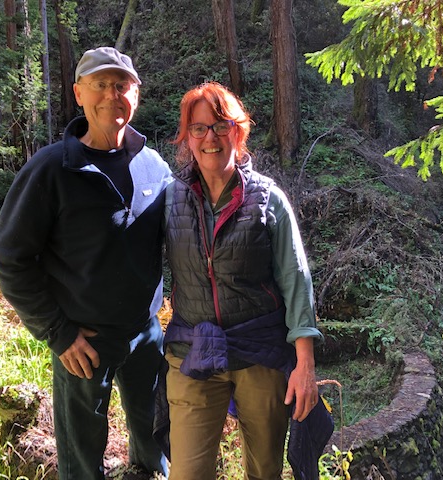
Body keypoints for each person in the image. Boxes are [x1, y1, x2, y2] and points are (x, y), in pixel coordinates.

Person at [0, 46, 171, 480]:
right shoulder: (52, 169)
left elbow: (178, 243)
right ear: (79, 94)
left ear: (136, 95)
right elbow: (10, 255)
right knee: (81, 459)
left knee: (155, 443)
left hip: (147, 336)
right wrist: (58, 332)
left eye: (122, 85)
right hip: (83, 342)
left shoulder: (154, 167)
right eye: (100, 85)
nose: (112, 94)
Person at [159, 81, 333, 480]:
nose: (210, 138)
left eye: (221, 126)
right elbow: (133, 258)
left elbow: (296, 278)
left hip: (261, 353)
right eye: (199, 128)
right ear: (188, 137)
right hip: (194, 348)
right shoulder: (171, 199)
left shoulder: (268, 200)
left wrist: (305, 364)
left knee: (264, 470)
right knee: (187, 473)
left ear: (238, 131)